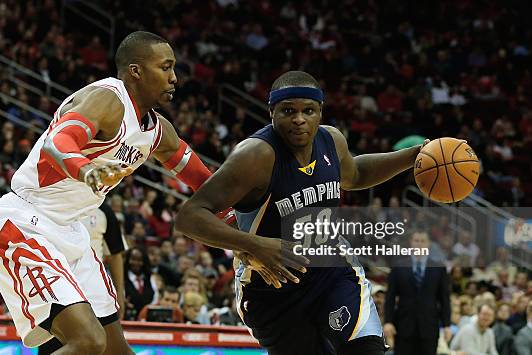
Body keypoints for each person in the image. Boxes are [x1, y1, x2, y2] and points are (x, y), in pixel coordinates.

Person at [0, 31, 233, 354]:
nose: (174, 78)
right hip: (25, 222)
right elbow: (57, 142)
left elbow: (204, 181)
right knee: (87, 342)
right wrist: (86, 169)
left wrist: (239, 224)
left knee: (115, 351)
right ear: (136, 71)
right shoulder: (108, 100)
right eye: (165, 67)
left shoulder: (157, 131)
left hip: (72, 230)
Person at [176, 71, 429, 354]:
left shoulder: (331, 141)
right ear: (272, 112)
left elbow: (356, 173)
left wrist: (414, 155)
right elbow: (190, 216)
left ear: (320, 112)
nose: (299, 119)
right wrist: (254, 244)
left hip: (332, 274)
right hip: (272, 292)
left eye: (308, 110)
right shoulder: (255, 156)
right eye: (288, 111)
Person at [384, 231, 451, 355]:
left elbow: (444, 299)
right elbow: (390, 297)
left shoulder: (439, 267)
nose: (419, 244)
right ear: (411, 243)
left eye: (423, 241)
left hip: (429, 327)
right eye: (416, 241)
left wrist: (447, 325)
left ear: (429, 244)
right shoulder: (398, 266)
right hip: (403, 326)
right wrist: (388, 321)